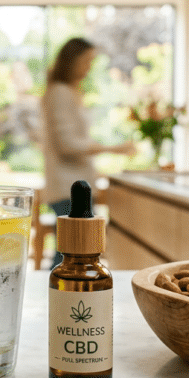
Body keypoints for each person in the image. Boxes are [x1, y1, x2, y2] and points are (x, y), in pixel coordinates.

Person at [40, 37, 135, 266]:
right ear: (70, 62)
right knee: (70, 253)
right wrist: (114, 149)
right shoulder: (60, 92)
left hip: (72, 184)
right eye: (86, 61)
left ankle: (59, 297)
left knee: (69, 252)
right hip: (68, 188)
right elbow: (68, 145)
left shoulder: (68, 92)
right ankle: (56, 298)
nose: (88, 68)